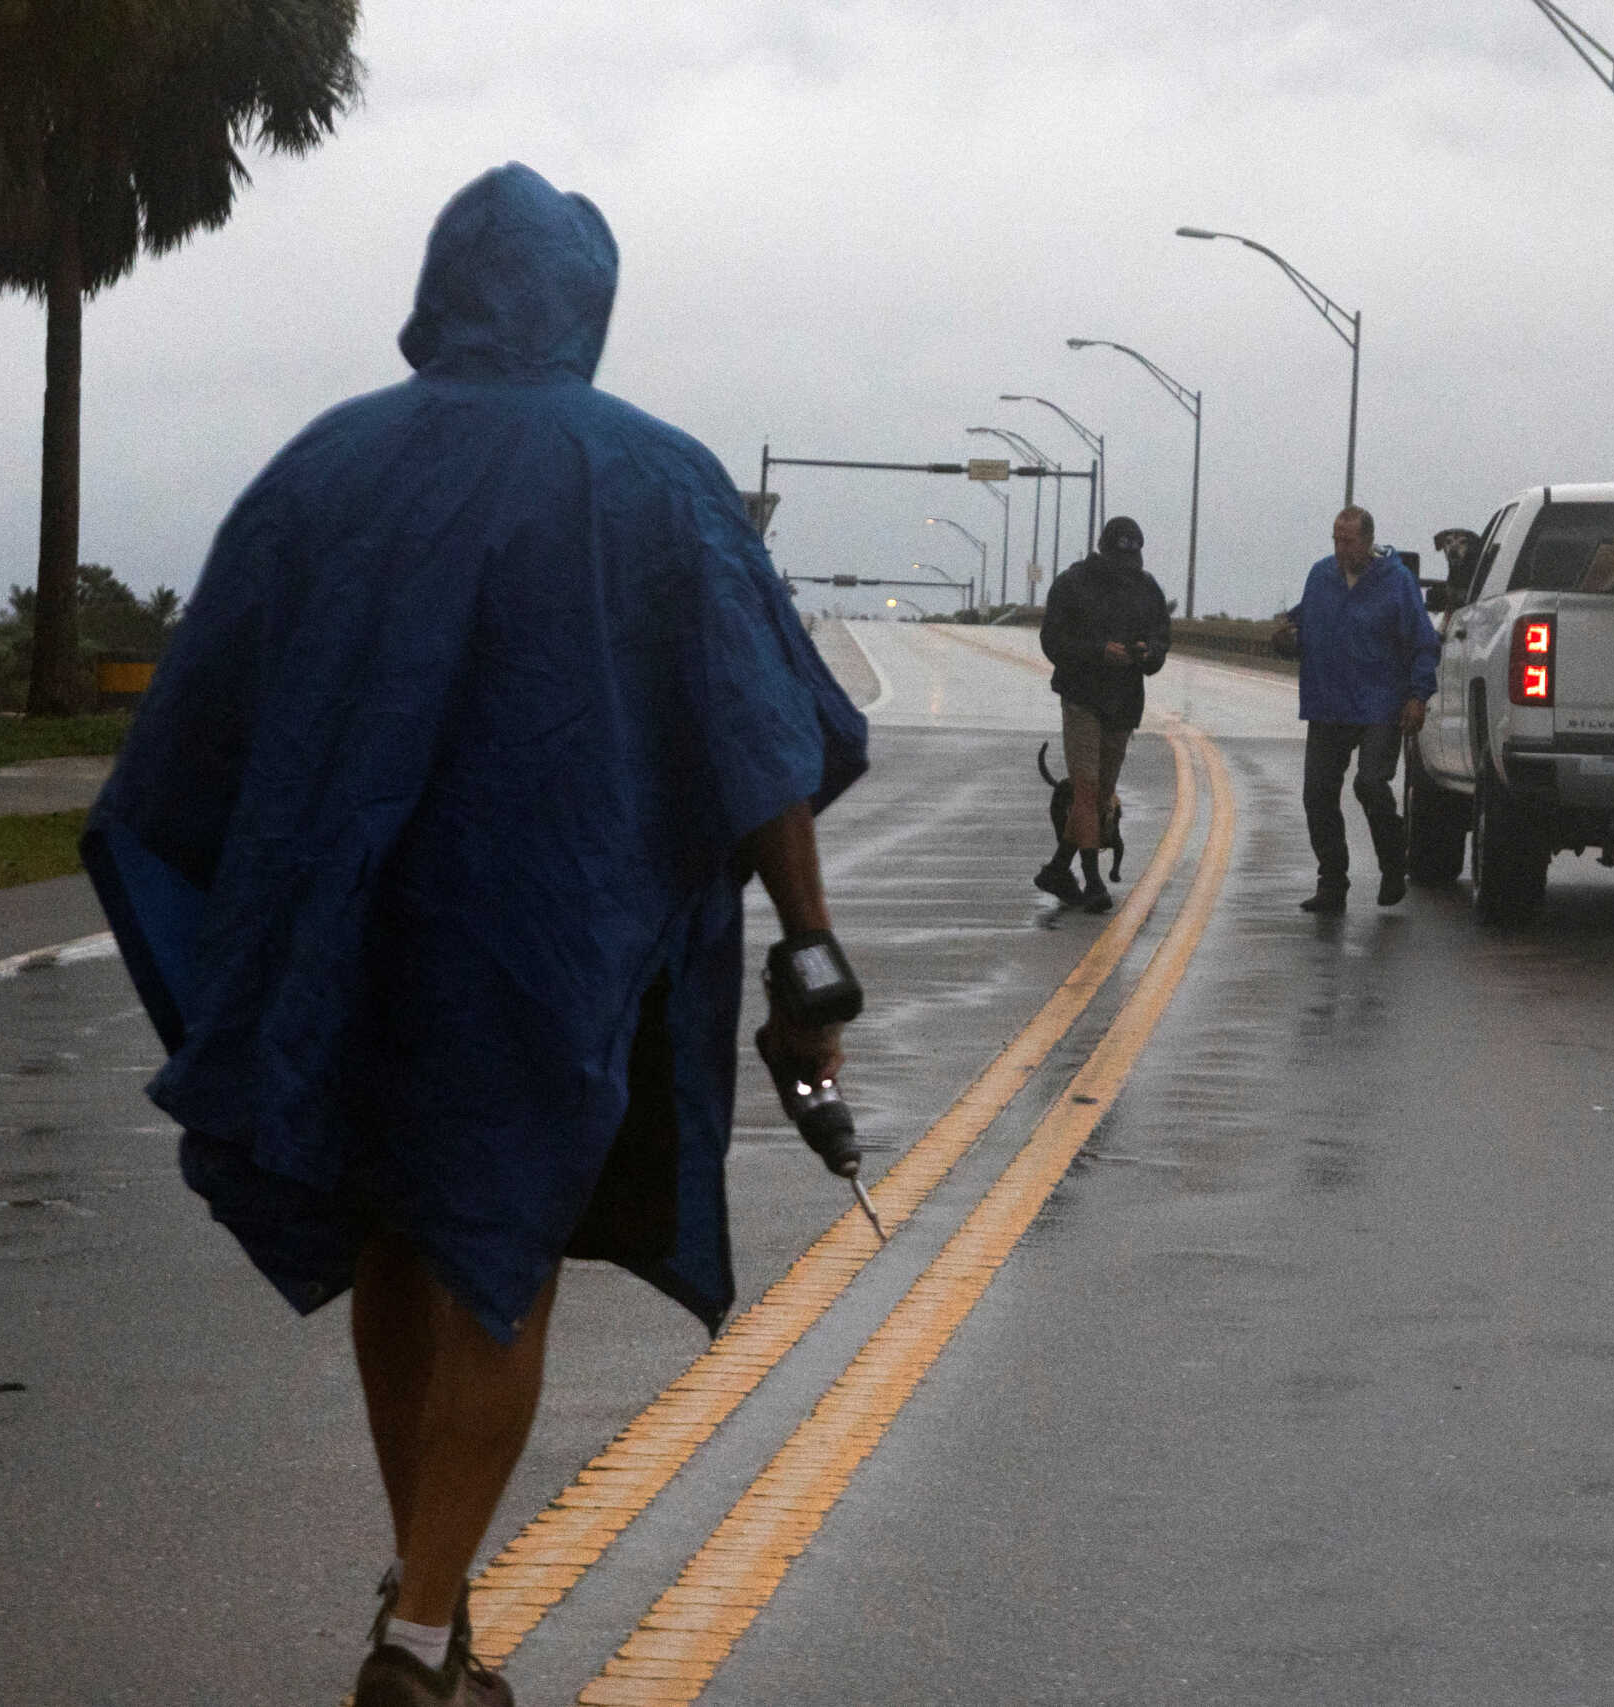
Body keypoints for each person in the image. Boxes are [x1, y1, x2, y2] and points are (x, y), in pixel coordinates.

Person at [79, 164, 867, 1707]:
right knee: (500, 1258)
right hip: (555, 944)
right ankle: (427, 1623)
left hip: (353, 944)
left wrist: (254, 945)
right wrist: (807, 965)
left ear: (441, 287)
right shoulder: (660, 480)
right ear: (589, 296)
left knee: (394, 1234)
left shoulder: (324, 468)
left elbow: (184, 756)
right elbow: (762, 745)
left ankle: (428, 1607)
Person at [1275, 506, 1441, 915]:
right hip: (1327, 703)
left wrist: (1418, 696)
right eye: (1335, 539)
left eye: (1347, 540)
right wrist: (1285, 635)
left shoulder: (1396, 582)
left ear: (1367, 542)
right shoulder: (1320, 576)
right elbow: (1301, 622)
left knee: (1370, 784)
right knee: (1317, 794)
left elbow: (1423, 643)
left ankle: (1392, 864)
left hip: (1378, 704)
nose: (1340, 548)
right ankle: (1332, 882)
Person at [1035, 515, 1172, 912]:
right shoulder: (1073, 583)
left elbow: (1161, 637)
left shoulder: (1146, 589)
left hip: (1124, 701)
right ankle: (1093, 881)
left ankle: (1059, 868)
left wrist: (1150, 653)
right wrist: (1099, 651)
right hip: (1081, 696)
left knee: (1102, 795)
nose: (1126, 568)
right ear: (1104, 549)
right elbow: (1052, 640)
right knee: (1087, 788)